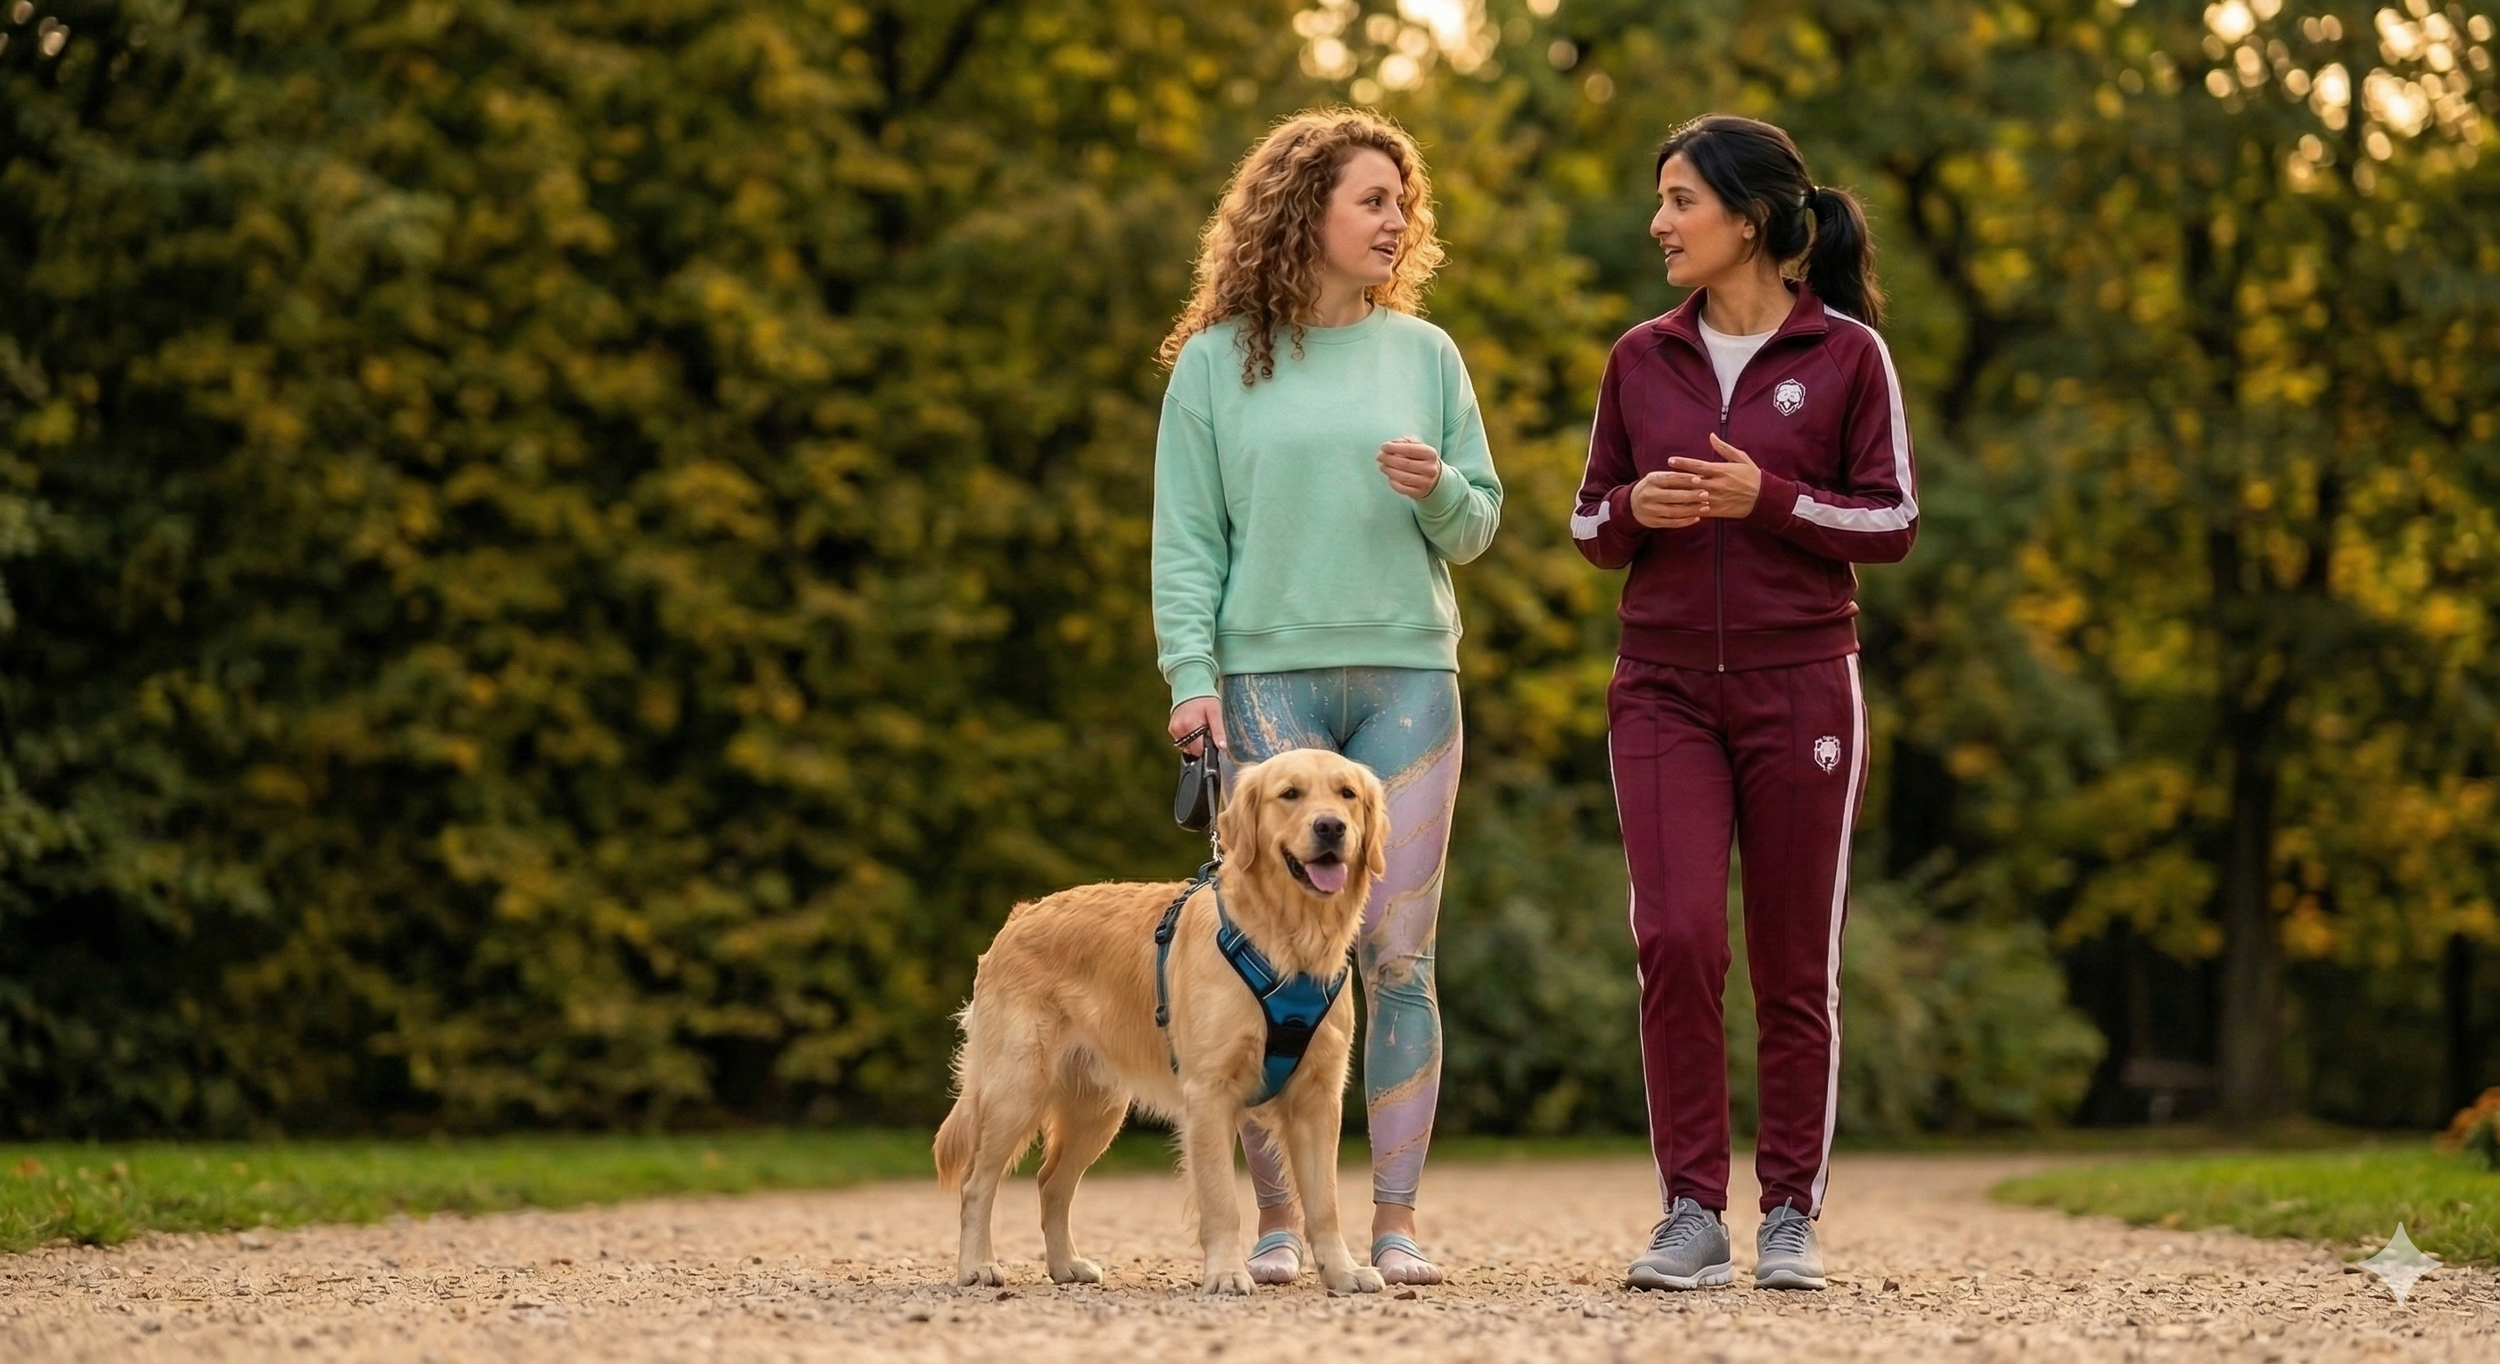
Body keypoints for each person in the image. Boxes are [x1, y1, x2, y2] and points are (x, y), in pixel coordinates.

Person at [1152, 107, 1503, 1288]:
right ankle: (1276, 1226)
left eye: (1405, 202)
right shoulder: (1214, 362)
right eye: (1373, 199)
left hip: (1409, 671)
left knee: (1398, 955)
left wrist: (1438, 485)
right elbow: (1186, 541)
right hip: (1266, 676)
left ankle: (1393, 1224)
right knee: (1258, 954)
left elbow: (1480, 524)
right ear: (1303, 209)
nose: (1397, 220)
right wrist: (1190, 681)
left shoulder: (1429, 354)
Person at [1571, 114, 1916, 1293]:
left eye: (1679, 200)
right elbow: (1586, 523)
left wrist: (1766, 497)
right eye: (1660, 199)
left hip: (1801, 684)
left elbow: (1893, 521)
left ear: (1752, 219)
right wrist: (1638, 517)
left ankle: (1787, 1214)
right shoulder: (1637, 358)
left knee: (1789, 957)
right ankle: (1687, 1209)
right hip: (1659, 685)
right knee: (1673, 936)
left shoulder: (1849, 357)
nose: (1659, 222)